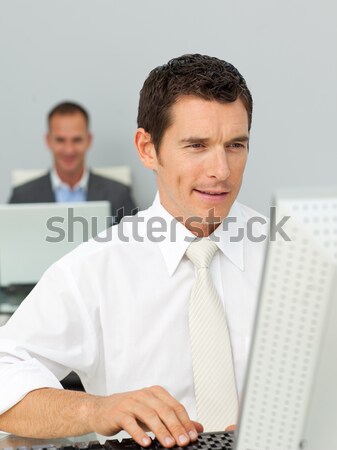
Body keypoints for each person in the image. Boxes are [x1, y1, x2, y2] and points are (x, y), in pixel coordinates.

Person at [0, 55, 267, 447]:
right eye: (196, 145)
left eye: (235, 145)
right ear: (147, 149)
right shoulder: (94, 269)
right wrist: (95, 410)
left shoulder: (296, 257)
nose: (221, 170)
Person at [8, 101, 136, 222]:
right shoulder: (22, 197)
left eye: (77, 140)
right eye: (60, 140)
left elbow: (137, 242)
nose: (69, 150)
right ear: (48, 141)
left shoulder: (119, 195)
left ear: (89, 140)